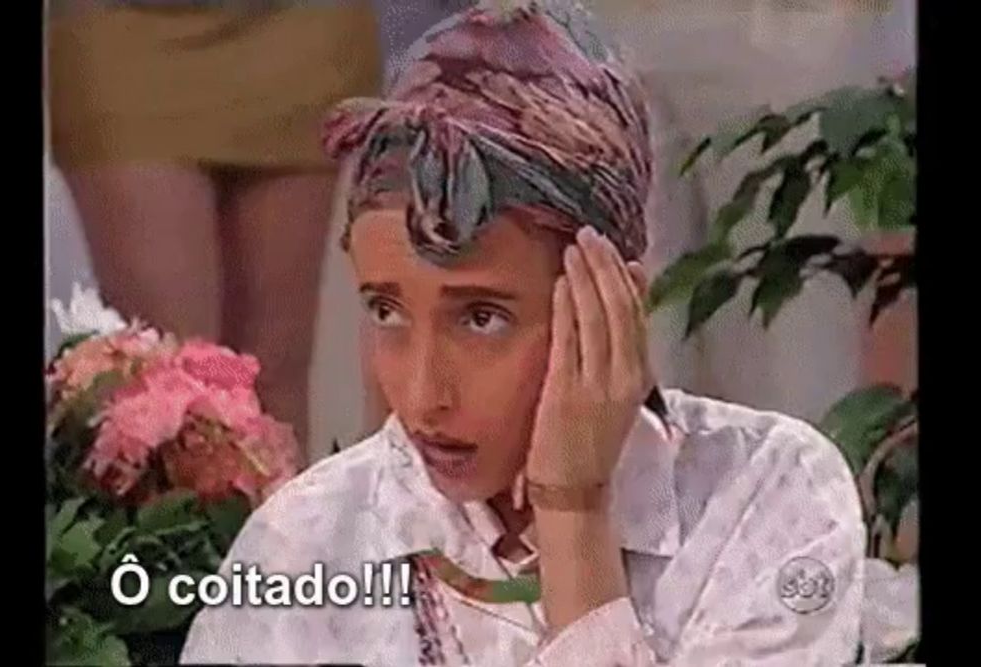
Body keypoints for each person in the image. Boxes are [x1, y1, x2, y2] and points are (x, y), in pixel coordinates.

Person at [181, 2, 865, 664]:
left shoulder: (767, 495)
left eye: (481, 317)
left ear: (614, 301)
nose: (423, 395)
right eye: (387, 310)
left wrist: (573, 513)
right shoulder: (303, 545)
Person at [47, 1, 384, 461]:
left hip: (297, 23)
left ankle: (280, 508)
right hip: (124, 26)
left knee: (272, 385)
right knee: (172, 386)